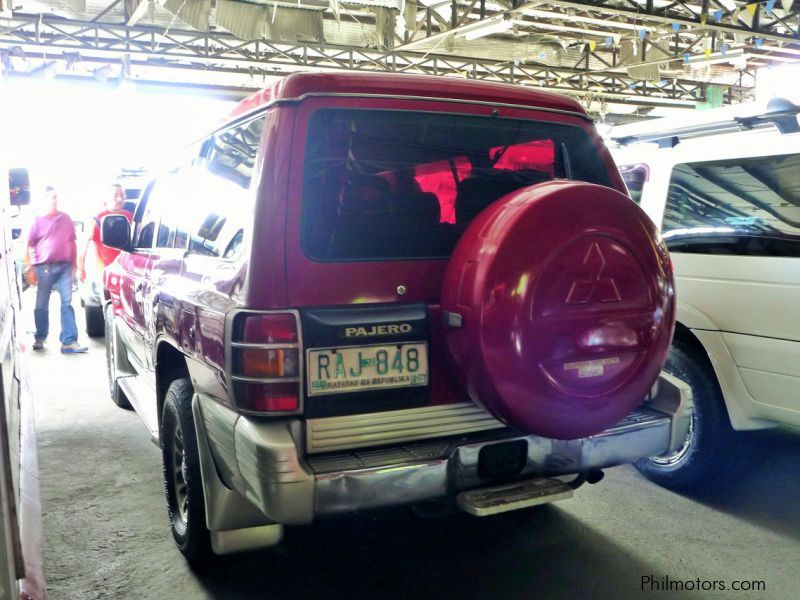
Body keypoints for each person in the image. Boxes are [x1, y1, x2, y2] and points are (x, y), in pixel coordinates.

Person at [25, 186, 88, 354]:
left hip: (65, 267)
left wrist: (75, 265)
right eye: (50, 198)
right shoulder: (37, 220)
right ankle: (40, 336)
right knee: (41, 305)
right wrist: (31, 268)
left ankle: (69, 341)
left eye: (55, 197)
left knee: (67, 304)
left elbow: (72, 242)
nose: (54, 200)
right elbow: (30, 245)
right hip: (44, 268)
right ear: (44, 200)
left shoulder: (65, 218)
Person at [78, 184, 133, 283]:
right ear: (106, 198)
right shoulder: (97, 219)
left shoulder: (130, 217)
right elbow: (83, 247)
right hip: (106, 275)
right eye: (115, 195)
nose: (119, 199)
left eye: (122, 195)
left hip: (127, 273)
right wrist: (80, 269)